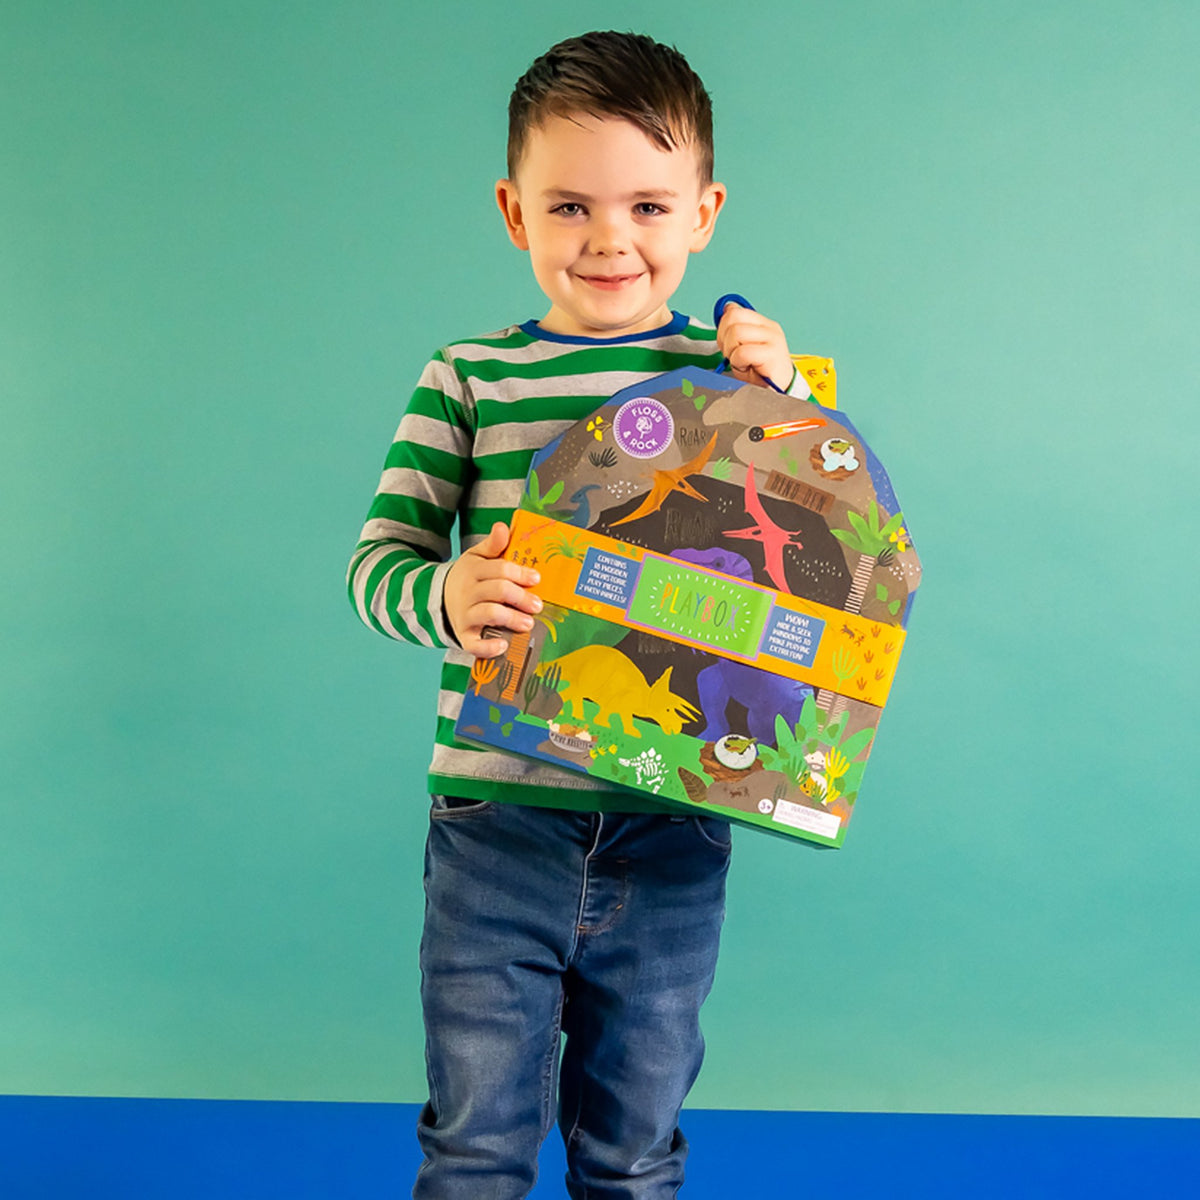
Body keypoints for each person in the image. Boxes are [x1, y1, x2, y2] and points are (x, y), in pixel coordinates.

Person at [348, 30, 810, 1199]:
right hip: (495, 818)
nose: (611, 239)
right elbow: (380, 559)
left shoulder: (729, 379)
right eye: (570, 206)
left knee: (636, 1144)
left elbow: (815, 547)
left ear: (705, 212)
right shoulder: (468, 377)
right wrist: (442, 596)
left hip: (671, 819)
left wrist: (788, 400)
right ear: (514, 211)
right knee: (474, 1139)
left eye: (649, 205)